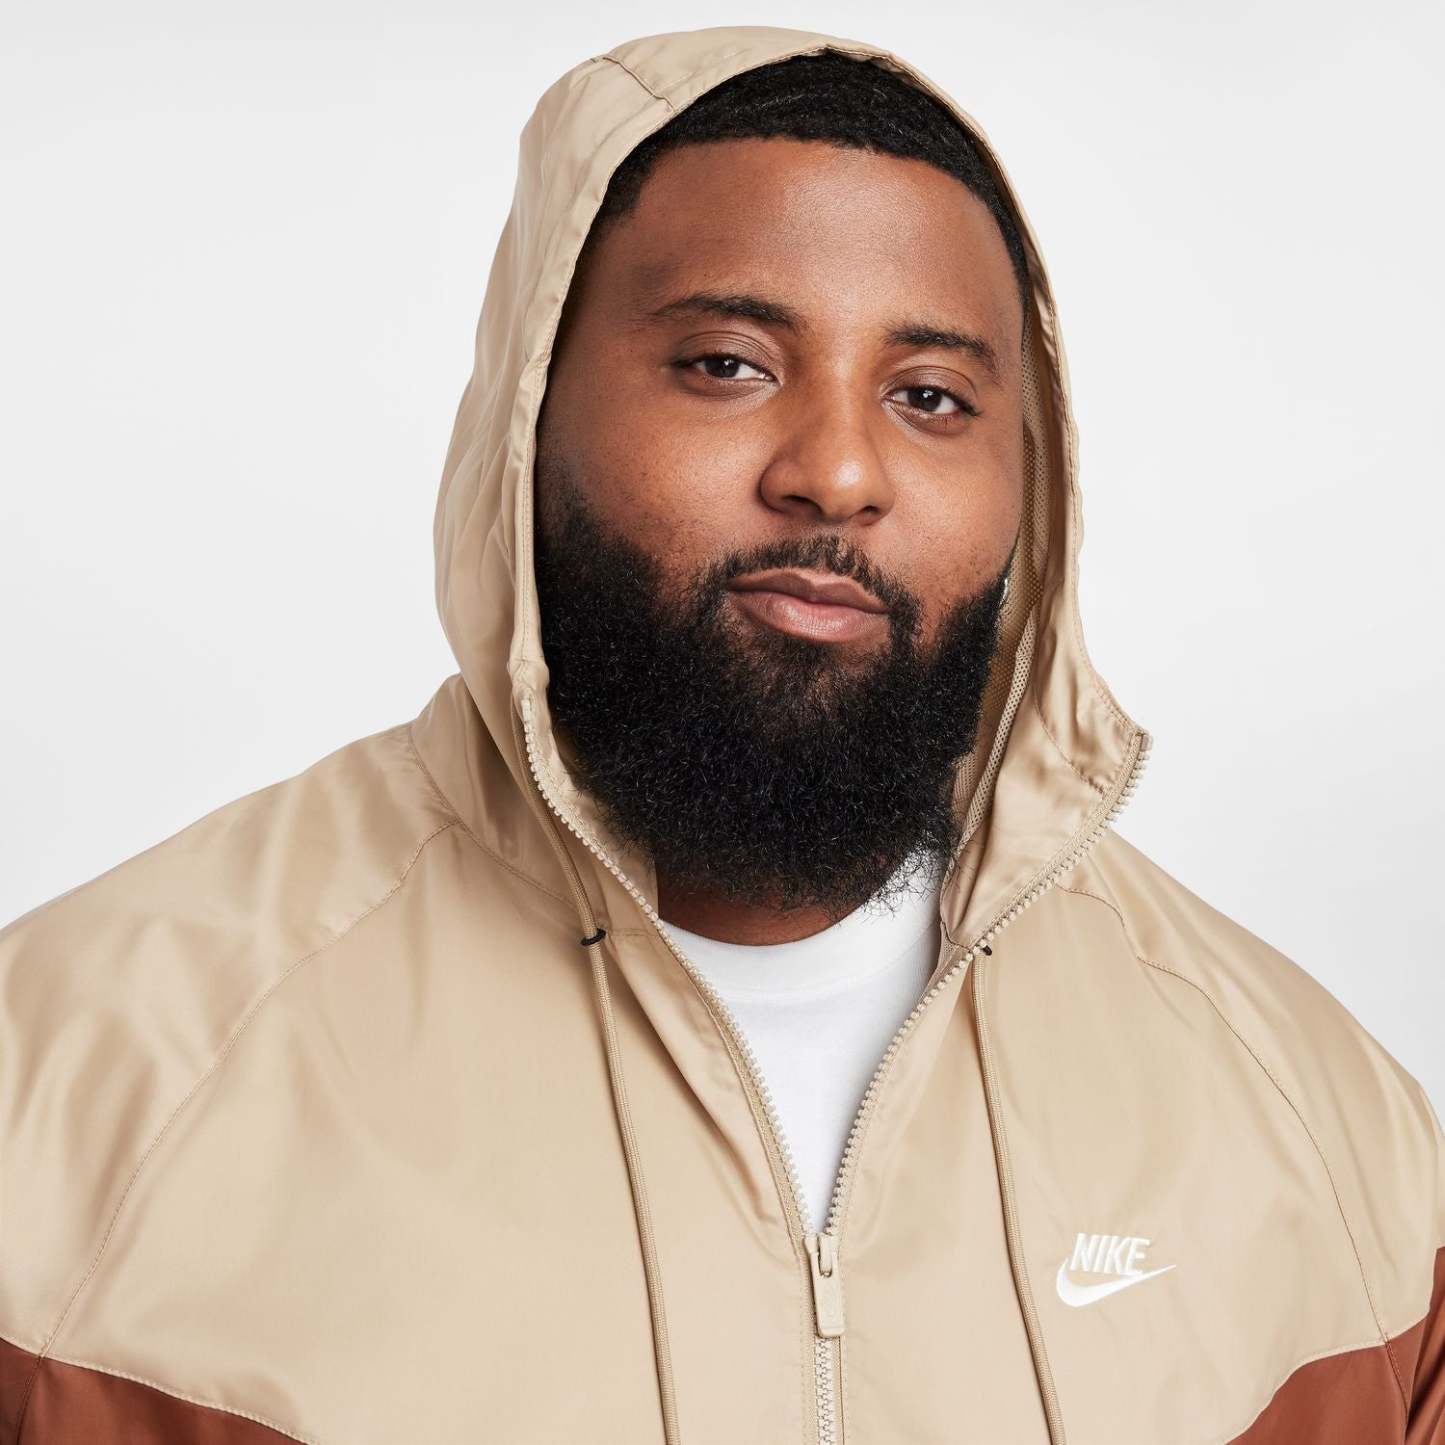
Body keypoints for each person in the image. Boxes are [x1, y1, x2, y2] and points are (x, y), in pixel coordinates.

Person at [1, 24, 1440, 1445]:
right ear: (529, 413)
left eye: (930, 397)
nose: (838, 470)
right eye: (727, 364)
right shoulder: (73, 1086)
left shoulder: (1324, 1132)